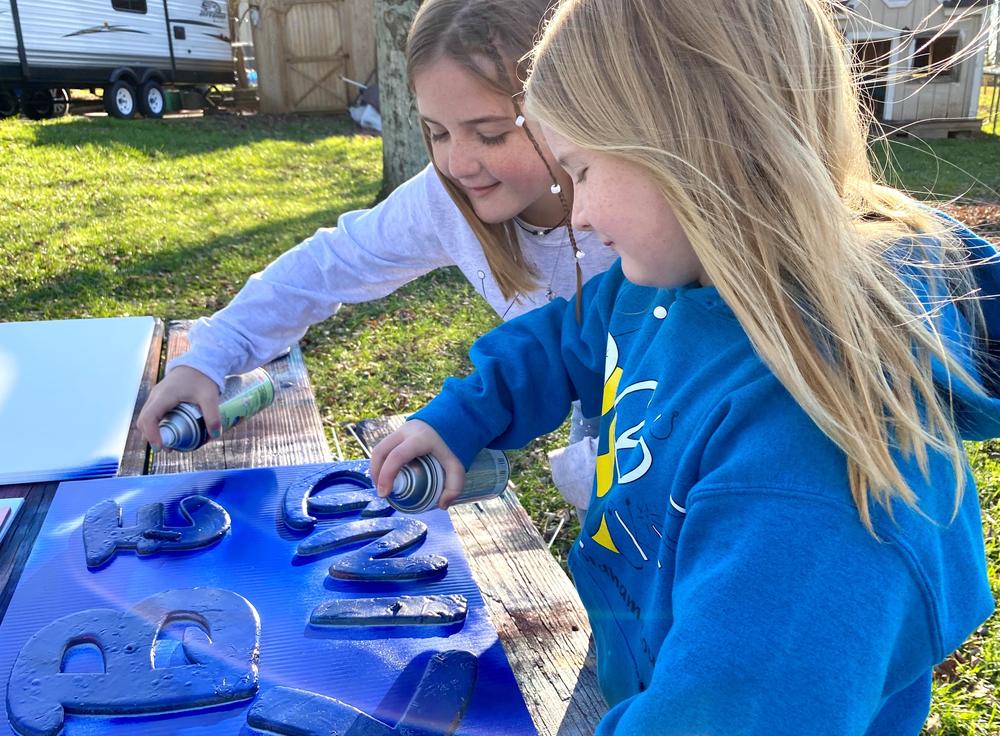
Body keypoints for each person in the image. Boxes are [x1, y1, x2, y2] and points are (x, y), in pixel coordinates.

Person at [370, 0, 998, 732]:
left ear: (689, 148)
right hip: (644, 670)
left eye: (581, 170)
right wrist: (461, 417)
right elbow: (566, 337)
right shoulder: (669, 287)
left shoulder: (808, 465)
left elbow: (731, 712)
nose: (576, 215)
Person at [136, 0, 617, 510]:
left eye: (492, 133)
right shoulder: (446, 200)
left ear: (566, 106)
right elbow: (328, 266)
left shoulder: (642, 202)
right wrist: (210, 358)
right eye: (436, 132)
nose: (457, 162)